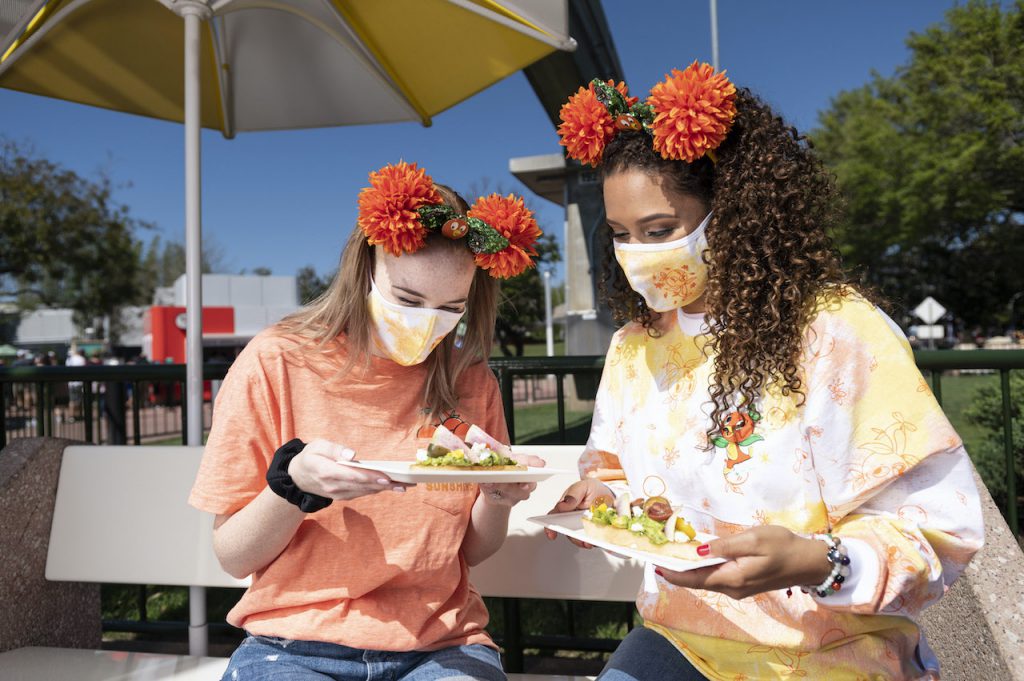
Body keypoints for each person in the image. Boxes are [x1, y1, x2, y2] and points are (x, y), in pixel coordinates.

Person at [548, 63, 984, 680]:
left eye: (660, 230)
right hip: (678, 638)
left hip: (831, 652)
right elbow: (614, 470)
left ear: (736, 214)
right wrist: (600, 497)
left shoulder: (836, 332)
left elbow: (939, 530)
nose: (637, 256)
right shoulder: (632, 347)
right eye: (620, 234)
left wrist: (816, 563)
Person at [189, 162, 543, 681]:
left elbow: (471, 550)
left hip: (440, 645)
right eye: (407, 300)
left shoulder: (471, 382)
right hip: (292, 643)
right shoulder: (277, 362)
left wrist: (497, 497)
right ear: (366, 269)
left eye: (451, 308)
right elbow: (233, 555)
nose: (427, 324)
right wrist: (294, 485)